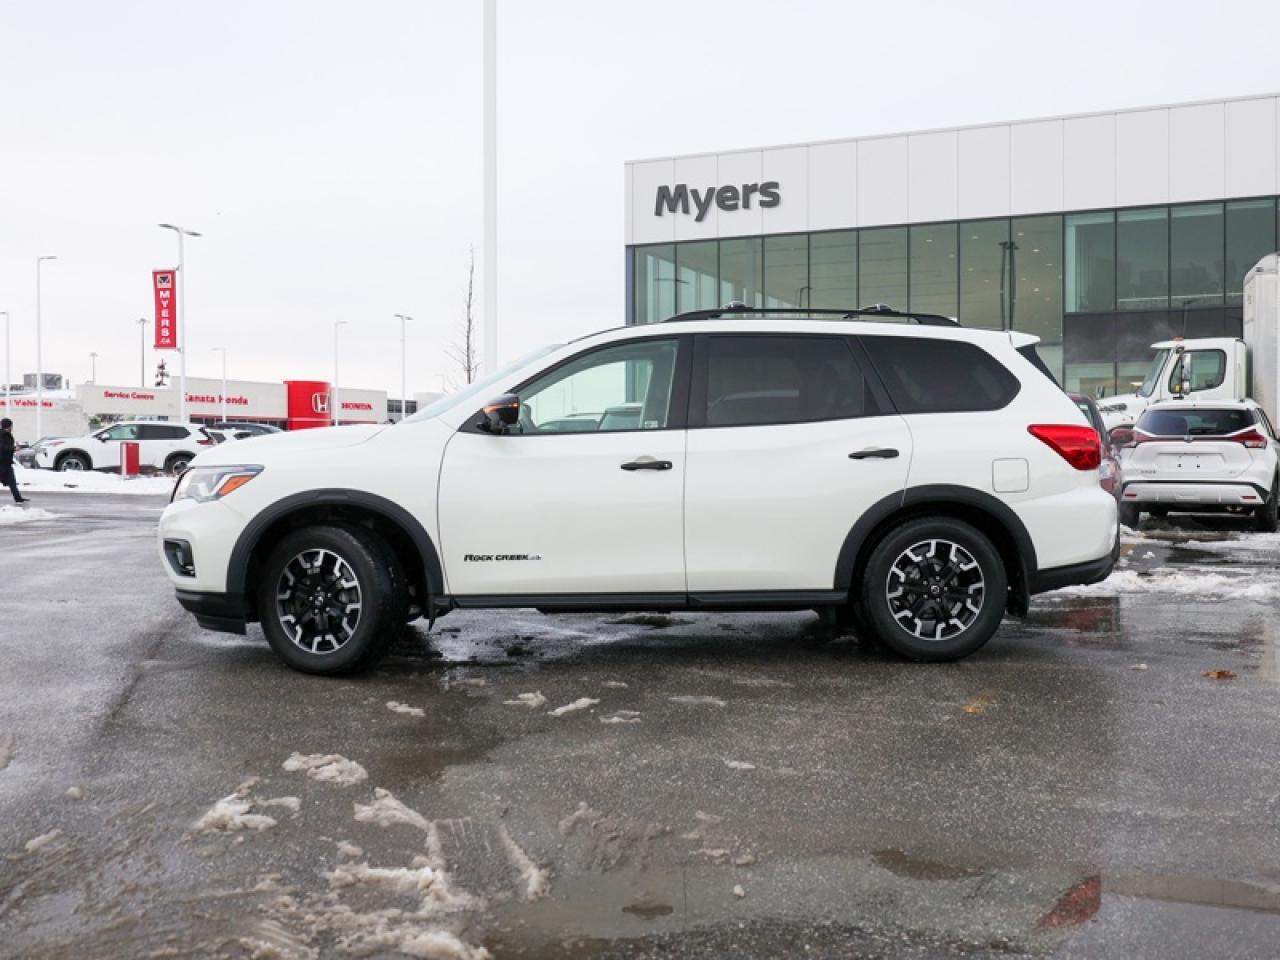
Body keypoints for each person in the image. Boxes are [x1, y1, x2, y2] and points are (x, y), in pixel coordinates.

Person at [0, 418, 29, 504]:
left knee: (12, 482)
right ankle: (18, 498)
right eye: (11, 426)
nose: (12, 427)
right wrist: (14, 448)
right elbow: (1, 448)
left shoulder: (7, 434)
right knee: (11, 481)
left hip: (6, 462)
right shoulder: (2, 435)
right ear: (8, 426)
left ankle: (18, 499)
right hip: (1, 463)